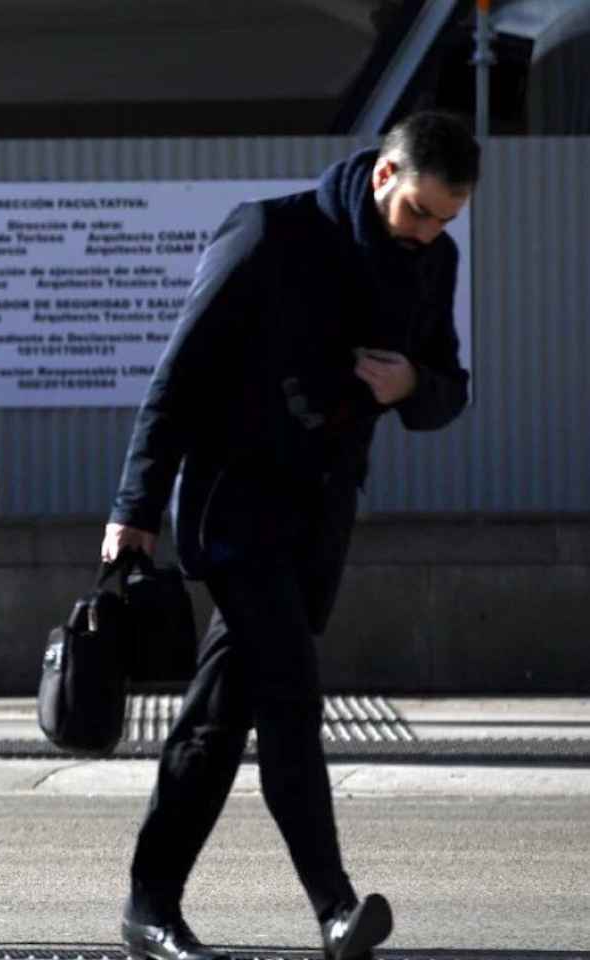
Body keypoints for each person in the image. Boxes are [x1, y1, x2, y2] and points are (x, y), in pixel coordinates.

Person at [102, 110, 477, 960]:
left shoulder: (432, 261)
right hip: (233, 509)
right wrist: (134, 510)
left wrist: (411, 381)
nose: (428, 234)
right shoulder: (272, 233)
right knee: (291, 702)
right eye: (419, 211)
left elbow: (449, 387)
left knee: (217, 718)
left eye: (446, 220)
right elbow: (181, 374)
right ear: (384, 175)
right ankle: (335, 910)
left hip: (318, 519)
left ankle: (149, 905)